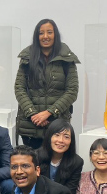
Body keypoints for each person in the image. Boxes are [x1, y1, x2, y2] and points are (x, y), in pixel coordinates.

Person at [14, 19, 80, 149]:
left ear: (55, 34)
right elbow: (19, 88)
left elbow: (72, 91)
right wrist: (33, 114)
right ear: (36, 36)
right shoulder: (27, 57)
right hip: (30, 125)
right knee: (32, 165)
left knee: (57, 165)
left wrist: (49, 112)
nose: (45, 36)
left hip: (57, 124)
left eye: (49, 32)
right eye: (41, 33)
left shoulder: (66, 58)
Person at [36, 119, 84, 194]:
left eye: (66, 137)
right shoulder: (36, 156)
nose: (61, 140)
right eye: (57, 135)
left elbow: (69, 192)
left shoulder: (77, 162)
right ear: (49, 137)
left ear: (71, 141)